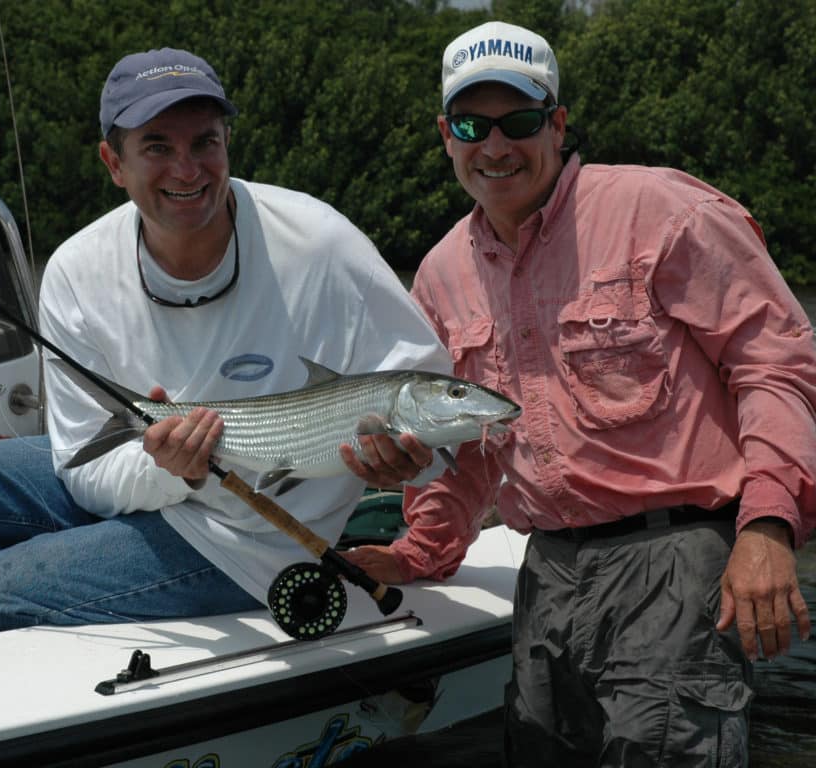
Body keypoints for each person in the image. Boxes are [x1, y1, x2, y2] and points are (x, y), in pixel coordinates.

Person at [0, 47, 452, 658]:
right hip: (152, 484)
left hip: (248, 542)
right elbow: (84, 471)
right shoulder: (77, 271)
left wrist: (411, 463)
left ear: (228, 143)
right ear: (113, 162)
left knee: (0, 586)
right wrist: (171, 472)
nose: (187, 170)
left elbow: (439, 427)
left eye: (205, 142)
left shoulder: (324, 247)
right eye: (157, 146)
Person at [342, 20, 816, 766]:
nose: (495, 148)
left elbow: (777, 366)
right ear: (445, 135)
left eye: (520, 122)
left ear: (557, 124)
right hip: (547, 572)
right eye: (471, 125)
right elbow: (466, 452)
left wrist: (767, 526)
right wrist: (418, 555)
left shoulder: (664, 212)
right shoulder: (439, 274)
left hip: (677, 554)